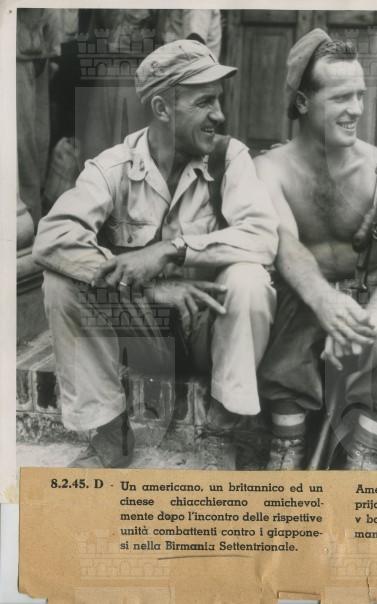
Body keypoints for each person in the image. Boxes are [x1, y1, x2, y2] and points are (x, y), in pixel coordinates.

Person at [33, 40, 279, 469]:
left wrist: (173, 251)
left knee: (249, 278)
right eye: (204, 102)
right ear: (163, 109)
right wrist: (148, 286)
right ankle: (110, 433)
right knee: (60, 280)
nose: (219, 115)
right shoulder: (113, 167)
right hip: (141, 333)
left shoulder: (229, 158)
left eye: (218, 100)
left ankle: (221, 430)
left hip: (207, 331)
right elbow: (52, 237)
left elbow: (262, 237)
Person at [255, 29, 377, 470]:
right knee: (290, 286)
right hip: (303, 316)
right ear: (303, 102)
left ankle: (364, 457)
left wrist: (369, 321)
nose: (356, 109)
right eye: (340, 97)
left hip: (367, 316)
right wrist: (326, 302)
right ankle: (287, 450)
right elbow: (285, 245)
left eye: (360, 95)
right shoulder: (270, 169)